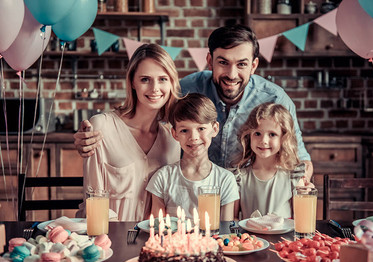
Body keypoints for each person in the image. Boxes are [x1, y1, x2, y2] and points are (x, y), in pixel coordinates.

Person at [73, 24, 313, 179]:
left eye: (241, 64)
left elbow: (300, 160)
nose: (231, 73)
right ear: (209, 61)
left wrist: (299, 184)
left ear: (254, 65)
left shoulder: (274, 99)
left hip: (247, 200)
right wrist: (97, 134)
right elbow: (145, 113)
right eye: (223, 62)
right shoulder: (187, 89)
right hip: (191, 194)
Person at [76, 44, 181, 221]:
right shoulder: (102, 127)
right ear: (132, 82)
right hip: (107, 237)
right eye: (145, 79)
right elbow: (93, 201)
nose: (155, 88)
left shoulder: (173, 138)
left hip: (153, 240)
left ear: (172, 82)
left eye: (163, 79)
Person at [147, 93, 239, 221]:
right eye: (184, 130)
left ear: (214, 129)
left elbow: (225, 230)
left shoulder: (225, 180)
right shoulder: (163, 178)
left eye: (201, 128)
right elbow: (158, 229)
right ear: (175, 134)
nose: (194, 137)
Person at [233, 102, 313, 220]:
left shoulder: (294, 176)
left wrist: (308, 197)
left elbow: (302, 220)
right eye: (258, 133)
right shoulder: (239, 177)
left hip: (285, 238)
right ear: (249, 135)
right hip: (250, 238)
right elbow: (233, 220)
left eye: (272, 134)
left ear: (284, 138)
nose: (264, 140)